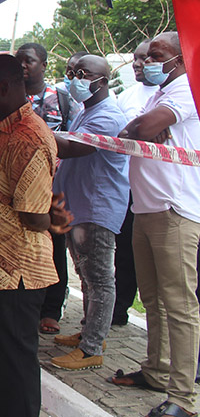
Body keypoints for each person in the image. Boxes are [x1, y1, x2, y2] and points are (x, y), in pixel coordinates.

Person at [0, 54, 72, 417]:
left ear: (3, 88)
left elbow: (32, 215)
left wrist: (54, 219)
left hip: (18, 269)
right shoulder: (3, 131)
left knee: (16, 360)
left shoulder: (28, 137)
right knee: (2, 354)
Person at [109, 32, 200, 417]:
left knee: (179, 305)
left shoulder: (187, 89)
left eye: (156, 56)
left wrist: (145, 127)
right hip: (146, 208)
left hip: (173, 210)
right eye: (146, 56)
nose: (147, 62)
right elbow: (133, 129)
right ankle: (157, 370)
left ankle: (183, 396)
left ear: (180, 58)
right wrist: (143, 127)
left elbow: (143, 127)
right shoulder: (159, 94)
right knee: (152, 298)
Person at [49, 55, 130, 371]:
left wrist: (34, 132)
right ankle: (90, 332)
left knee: (98, 279)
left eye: (83, 74)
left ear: (103, 80)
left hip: (96, 208)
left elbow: (73, 149)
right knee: (86, 275)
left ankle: (92, 348)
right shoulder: (87, 110)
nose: (74, 79)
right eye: (71, 73)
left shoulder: (107, 116)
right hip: (79, 206)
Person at [17, 43, 80, 336]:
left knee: (54, 248)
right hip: (15, 186)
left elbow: (75, 141)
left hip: (52, 188)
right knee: (20, 245)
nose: (23, 66)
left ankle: (51, 309)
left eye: (28, 61)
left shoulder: (62, 99)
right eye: (18, 61)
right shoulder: (9, 97)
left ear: (43, 65)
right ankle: (19, 307)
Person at [113, 40, 156, 325]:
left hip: (162, 195)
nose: (139, 64)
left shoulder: (182, 95)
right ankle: (119, 310)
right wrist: (141, 129)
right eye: (136, 58)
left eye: (147, 58)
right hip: (128, 188)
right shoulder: (127, 96)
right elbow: (122, 135)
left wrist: (142, 129)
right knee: (125, 255)